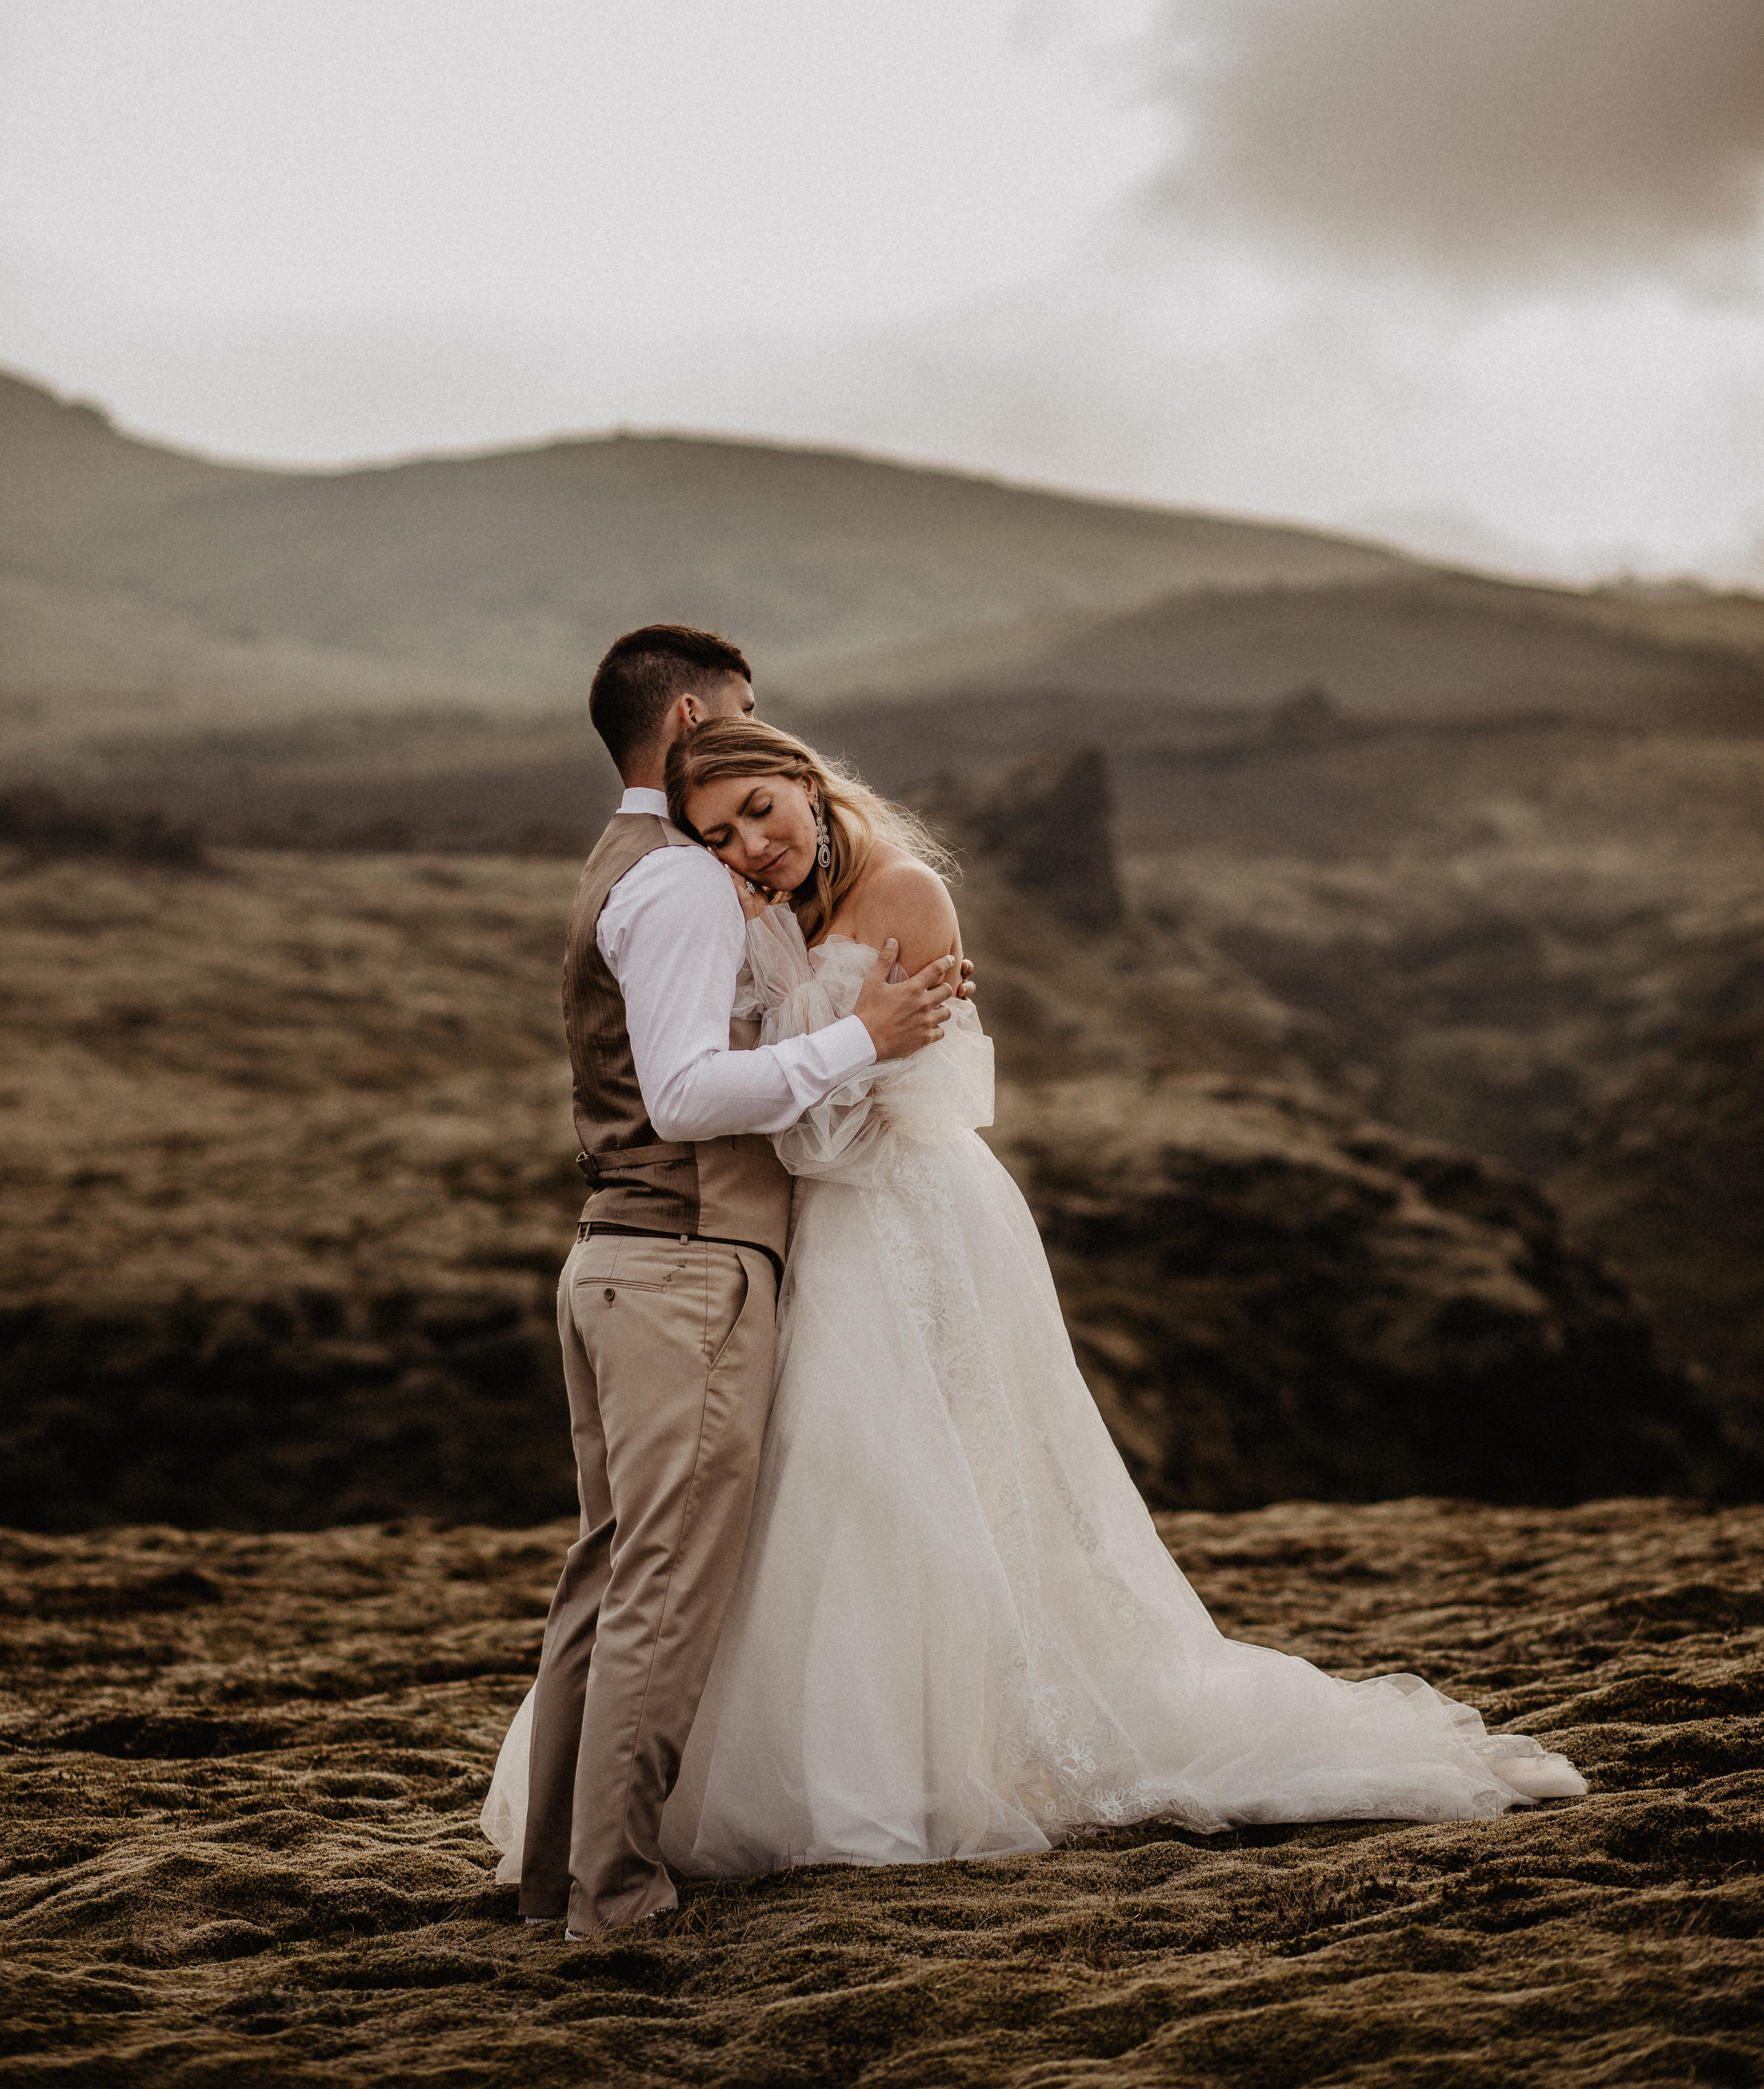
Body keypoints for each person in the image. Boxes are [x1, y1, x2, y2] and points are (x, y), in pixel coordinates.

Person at [486, 715, 1584, 1886]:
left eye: (762, 810)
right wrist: (814, 1015)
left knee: (912, 1473)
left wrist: (835, 1042)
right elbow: (783, 1092)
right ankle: (813, 1763)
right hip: (824, 1229)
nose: (751, 846)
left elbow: (887, 1108)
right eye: (719, 836)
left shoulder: (904, 892)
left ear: (806, 783)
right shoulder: (771, 916)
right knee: (831, 1482)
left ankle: (937, 1764)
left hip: (908, 1215)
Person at [506, 630, 961, 1939]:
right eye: (748, 720)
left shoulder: (629, 870)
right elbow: (691, 1093)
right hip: (685, 1273)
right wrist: (858, 1038)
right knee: (662, 1589)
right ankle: (617, 1899)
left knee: (608, 1578)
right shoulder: (688, 887)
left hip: (620, 1261)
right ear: (697, 714)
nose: (762, 747)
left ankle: (558, 1885)